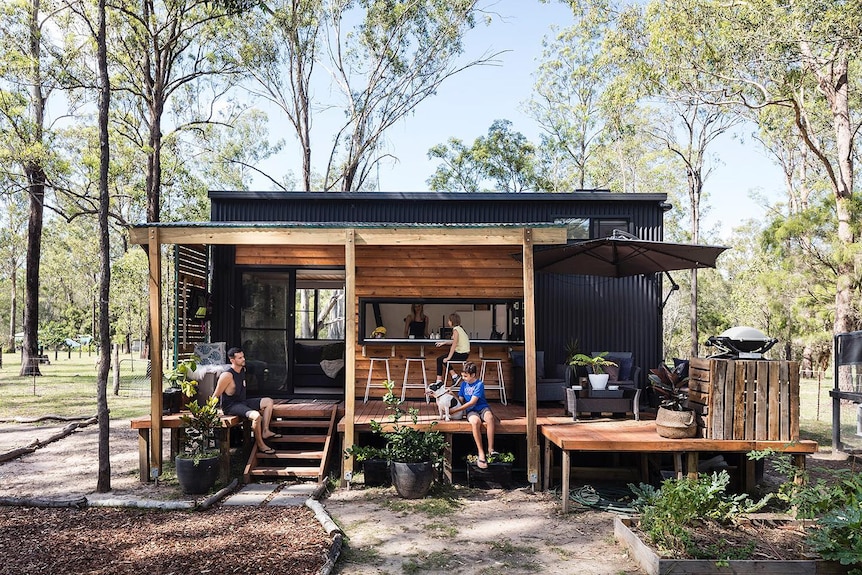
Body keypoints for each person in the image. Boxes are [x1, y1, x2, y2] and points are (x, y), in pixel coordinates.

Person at [212, 346, 280, 455]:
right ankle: (261, 445)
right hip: (231, 406)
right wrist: (209, 412)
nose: (243, 359)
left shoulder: (243, 369)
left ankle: (265, 430)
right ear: (232, 360)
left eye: (243, 357)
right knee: (256, 416)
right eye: (239, 358)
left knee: (268, 401)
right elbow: (215, 395)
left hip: (243, 402)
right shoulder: (227, 375)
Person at [448, 361, 496, 469]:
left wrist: (455, 411)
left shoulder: (479, 384)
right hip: (471, 411)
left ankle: (491, 449)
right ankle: (481, 453)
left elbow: (472, 402)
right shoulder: (463, 385)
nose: (463, 378)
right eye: (462, 376)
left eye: (465, 376)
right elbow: (461, 401)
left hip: (482, 407)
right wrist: (452, 395)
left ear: (473, 375)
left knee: (490, 418)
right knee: (475, 422)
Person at [434, 312, 470, 385]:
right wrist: (444, 343)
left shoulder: (455, 329)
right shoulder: (460, 329)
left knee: (441, 359)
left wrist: (449, 357)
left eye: (449, 320)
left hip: (460, 353)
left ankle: (439, 381)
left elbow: (454, 344)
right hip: (464, 354)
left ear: (452, 321)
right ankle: (454, 376)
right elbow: (455, 341)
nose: (448, 322)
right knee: (443, 359)